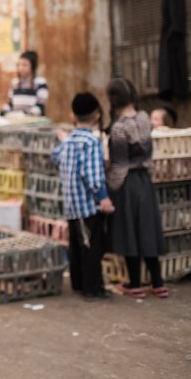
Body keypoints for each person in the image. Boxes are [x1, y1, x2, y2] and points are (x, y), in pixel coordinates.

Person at [106, 77, 168, 299]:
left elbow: (119, 166)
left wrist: (110, 191)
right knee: (147, 230)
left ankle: (135, 284)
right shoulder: (144, 118)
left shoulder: (119, 128)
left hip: (128, 184)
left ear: (113, 99)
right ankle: (158, 283)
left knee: (130, 232)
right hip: (145, 180)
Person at [52, 92, 115, 299]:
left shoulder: (68, 141)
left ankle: (78, 283)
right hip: (88, 206)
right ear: (97, 116)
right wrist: (103, 198)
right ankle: (92, 288)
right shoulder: (91, 142)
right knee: (92, 247)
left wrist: (61, 138)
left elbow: (55, 157)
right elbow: (93, 176)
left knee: (77, 246)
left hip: (71, 205)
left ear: (73, 116)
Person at [2, 50, 48, 116]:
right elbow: (10, 104)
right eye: (19, 65)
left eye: (25, 65)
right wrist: (2, 111)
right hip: (16, 121)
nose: (21, 68)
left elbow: (40, 107)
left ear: (32, 66)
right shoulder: (14, 83)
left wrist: (24, 114)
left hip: (33, 122)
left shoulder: (40, 82)